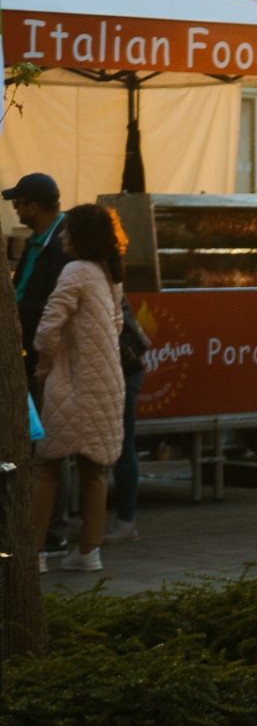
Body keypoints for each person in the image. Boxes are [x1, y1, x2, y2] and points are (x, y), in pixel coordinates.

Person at [26, 203, 130, 574]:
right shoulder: (109, 273)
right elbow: (116, 326)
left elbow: (48, 325)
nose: (64, 236)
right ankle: (89, 551)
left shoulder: (75, 271)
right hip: (106, 382)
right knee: (95, 469)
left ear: (81, 235)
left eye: (69, 230)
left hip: (72, 382)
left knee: (45, 465)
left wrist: (43, 362)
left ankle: (34, 553)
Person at [10, 172, 73, 554]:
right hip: (29, 354)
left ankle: (53, 531)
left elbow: (55, 305)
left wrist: (16, 313)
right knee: (39, 443)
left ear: (33, 206)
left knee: (50, 445)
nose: (15, 207)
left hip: (47, 359)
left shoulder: (61, 245)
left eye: (18, 201)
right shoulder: (38, 242)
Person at [106, 298, 147, 544]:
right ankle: (125, 520)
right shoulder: (108, 274)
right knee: (122, 443)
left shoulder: (86, 273)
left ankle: (126, 520)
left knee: (122, 444)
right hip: (123, 366)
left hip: (121, 368)